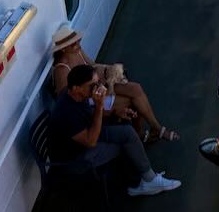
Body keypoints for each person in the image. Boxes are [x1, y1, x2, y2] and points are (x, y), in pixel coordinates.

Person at [49, 64, 181, 197]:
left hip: (85, 136)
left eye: (98, 83)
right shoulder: (66, 114)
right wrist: (99, 106)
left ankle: (147, 178)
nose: (98, 88)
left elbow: (89, 114)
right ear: (77, 88)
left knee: (127, 132)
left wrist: (115, 112)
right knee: (127, 143)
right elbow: (91, 141)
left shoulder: (76, 95)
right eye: (92, 85)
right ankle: (144, 181)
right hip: (76, 159)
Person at [51, 25, 179, 142]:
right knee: (130, 100)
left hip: (99, 85)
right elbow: (68, 98)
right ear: (63, 49)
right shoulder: (61, 69)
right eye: (73, 44)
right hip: (90, 98)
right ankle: (139, 134)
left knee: (136, 88)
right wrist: (96, 96)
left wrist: (109, 71)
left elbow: (93, 66)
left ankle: (156, 127)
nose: (78, 44)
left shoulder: (78, 51)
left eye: (78, 40)